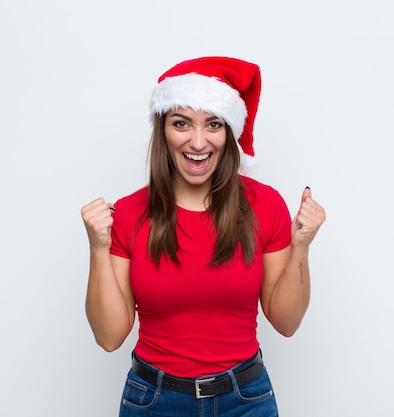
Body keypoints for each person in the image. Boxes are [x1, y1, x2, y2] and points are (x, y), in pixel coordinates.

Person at [81, 56, 326, 416]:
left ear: (228, 133)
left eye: (213, 124)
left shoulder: (264, 205)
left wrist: (301, 247)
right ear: (163, 131)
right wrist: (98, 248)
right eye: (182, 124)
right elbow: (108, 337)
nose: (198, 142)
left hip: (245, 399)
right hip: (153, 400)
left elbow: (286, 323)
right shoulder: (130, 214)